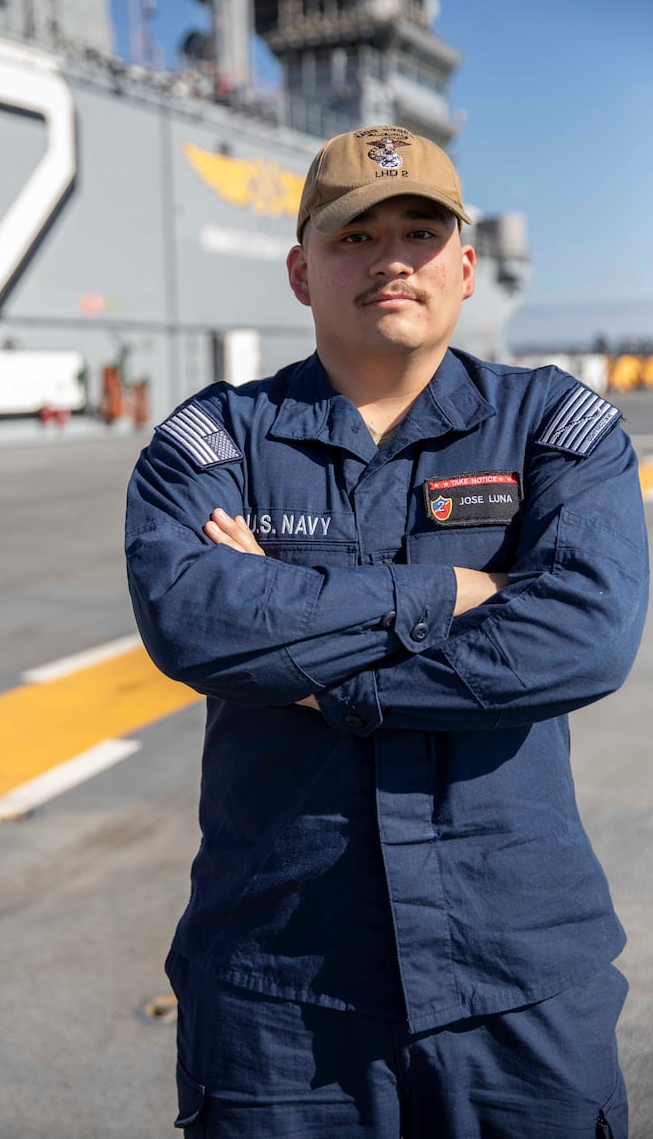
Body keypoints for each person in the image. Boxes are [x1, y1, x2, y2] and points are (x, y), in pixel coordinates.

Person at [124, 125, 648, 1138]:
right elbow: (194, 623)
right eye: (354, 237)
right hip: (279, 987)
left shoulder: (555, 428)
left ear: (464, 266)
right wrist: (456, 589)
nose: (391, 259)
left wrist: (313, 660)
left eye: (419, 232)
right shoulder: (213, 442)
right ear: (300, 272)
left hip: (517, 979)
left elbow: (586, 632)